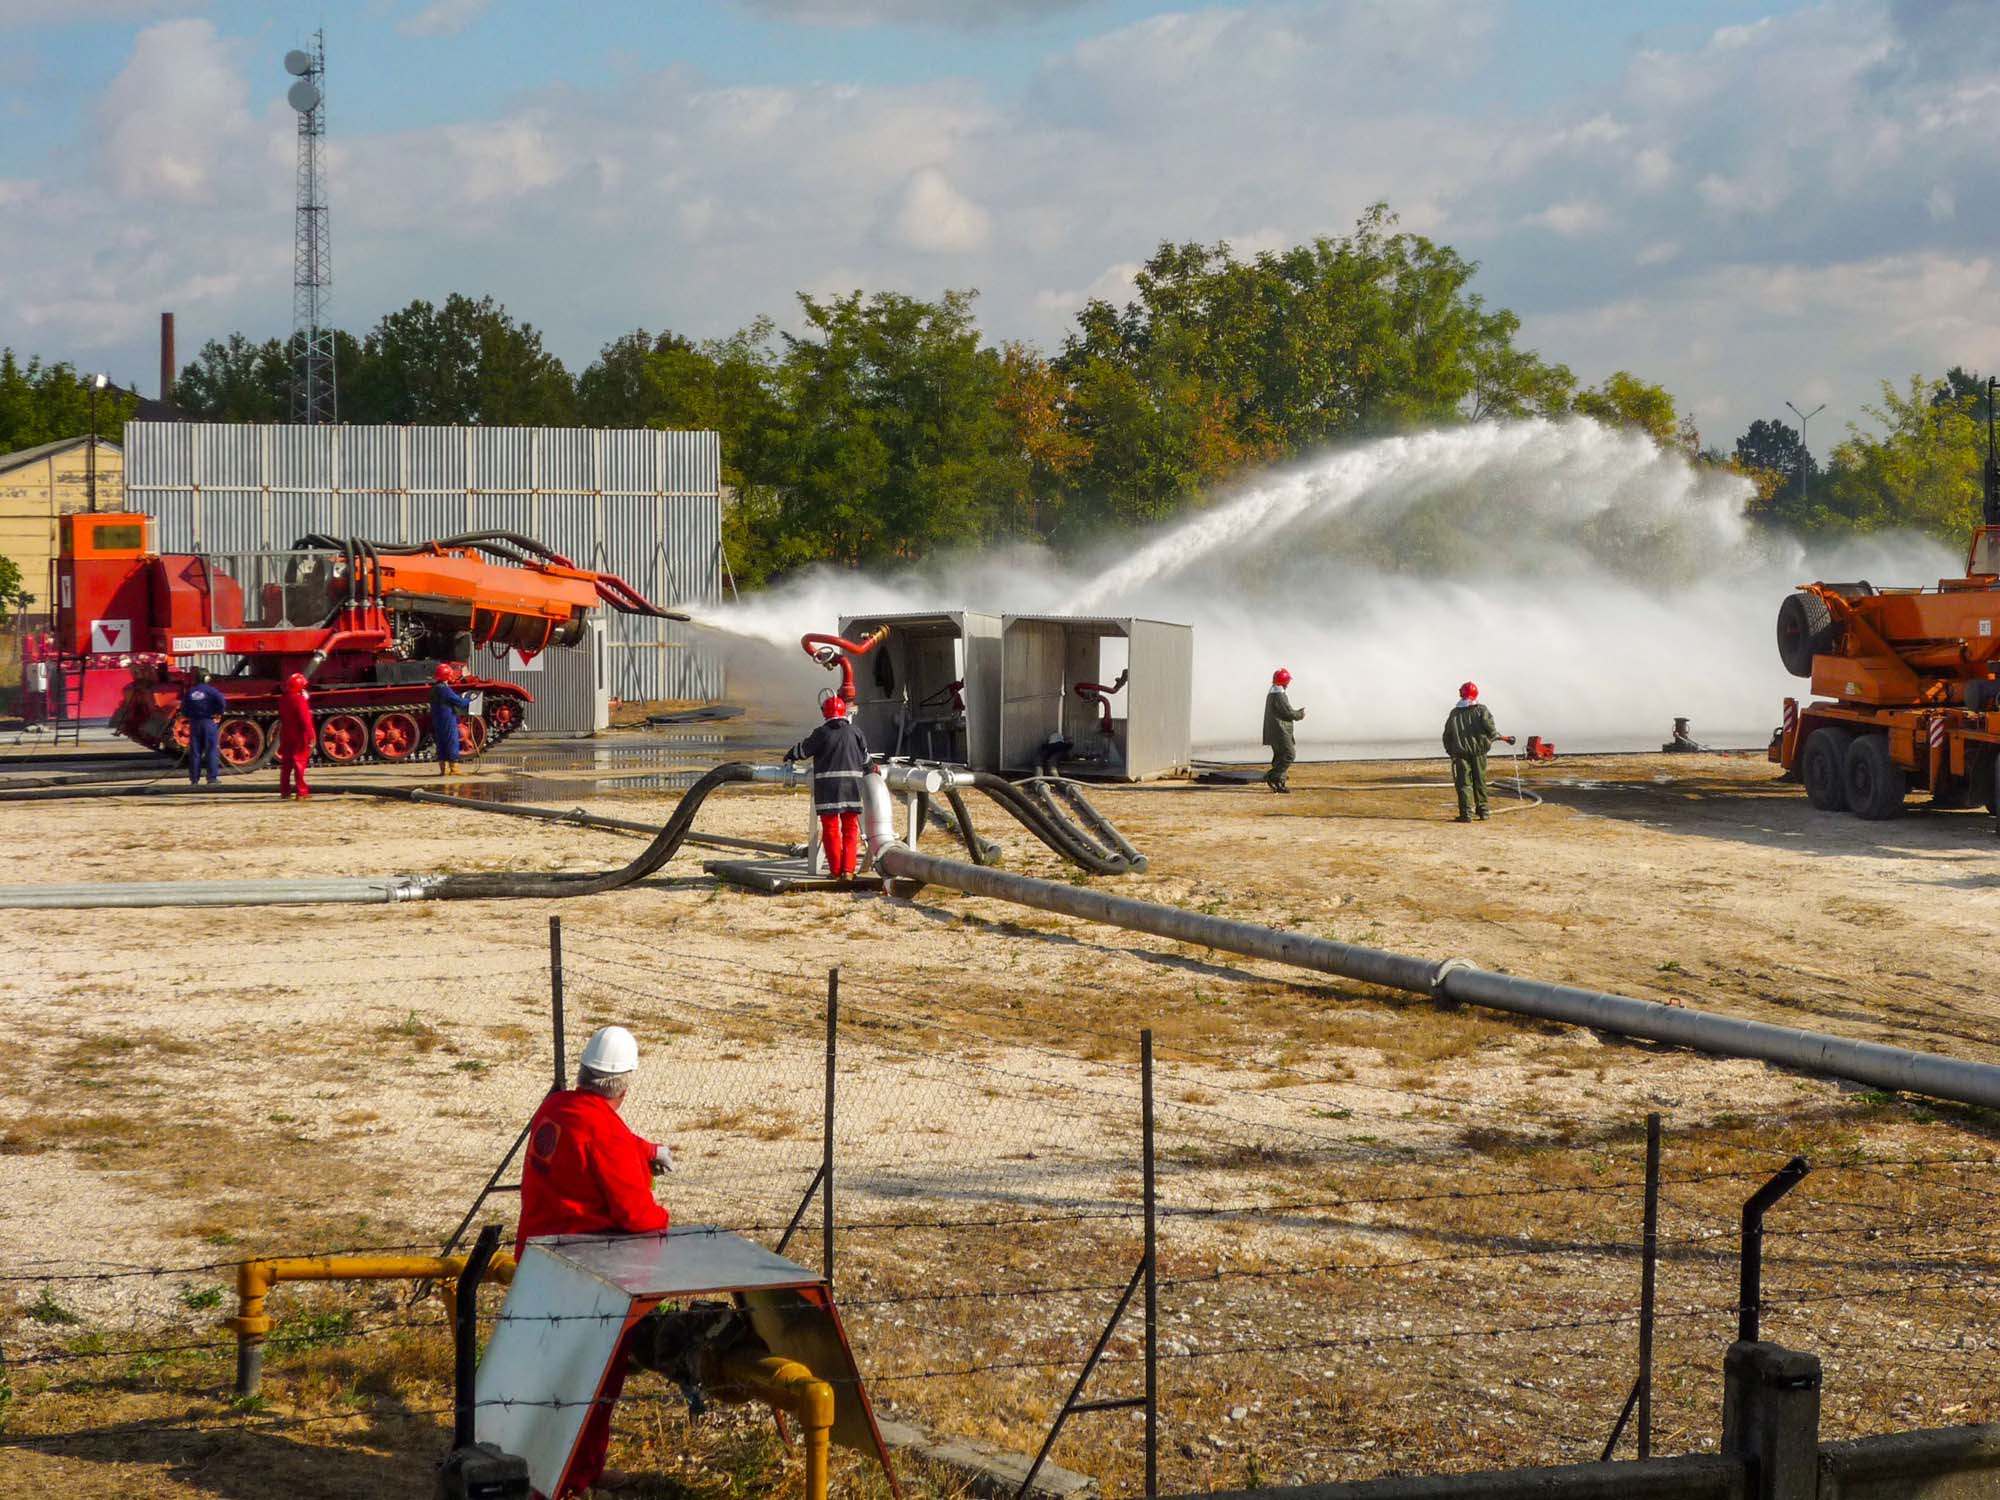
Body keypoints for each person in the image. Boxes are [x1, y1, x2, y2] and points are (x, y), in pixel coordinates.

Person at [516, 1025, 673, 1496]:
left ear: (584, 1074)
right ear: (624, 1086)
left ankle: (539, 1465)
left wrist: (646, 1151)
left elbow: (604, 1136)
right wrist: (665, 1216)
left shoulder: (555, 1107)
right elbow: (638, 1216)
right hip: (590, 1280)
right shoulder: (604, 1133)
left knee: (542, 1376)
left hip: (539, 1267)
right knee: (594, 1382)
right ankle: (575, 1477)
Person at [784, 695, 871, 878]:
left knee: (831, 829)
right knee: (850, 828)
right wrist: (873, 769)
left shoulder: (821, 733)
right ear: (843, 712)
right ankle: (848, 870)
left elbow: (802, 750)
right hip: (852, 787)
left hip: (828, 788)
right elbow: (866, 759)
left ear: (825, 713)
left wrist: (789, 755)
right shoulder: (855, 731)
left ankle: (835, 871)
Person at [1443, 681, 1514, 822]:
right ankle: (1483, 812)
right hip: (1479, 753)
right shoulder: (1482, 710)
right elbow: (1492, 731)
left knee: (1464, 784)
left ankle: (1466, 814)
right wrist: (1496, 739)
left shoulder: (1454, 713)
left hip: (1460, 755)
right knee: (1480, 781)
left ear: (1461, 693)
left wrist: (1451, 752)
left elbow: (1447, 735)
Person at [179, 668, 227, 787]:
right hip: (208, 723)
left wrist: (190, 715)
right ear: (207, 678)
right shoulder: (211, 691)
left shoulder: (190, 692)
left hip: (195, 724)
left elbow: (183, 709)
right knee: (211, 750)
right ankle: (212, 778)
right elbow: (222, 701)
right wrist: (218, 712)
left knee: (195, 752)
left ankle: (194, 780)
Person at [1262, 668, 1305, 793]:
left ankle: (1279, 783)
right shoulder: (1278, 695)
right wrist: (1300, 714)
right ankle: (1272, 776)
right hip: (1280, 732)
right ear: (1285, 681)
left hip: (1275, 731)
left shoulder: (1274, 693)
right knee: (1289, 755)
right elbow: (1288, 712)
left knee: (1280, 757)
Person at [429, 663, 472, 777]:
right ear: (447, 676)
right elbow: (460, 702)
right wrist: (469, 698)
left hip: (437, 719)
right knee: (452, 741)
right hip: (447, 718)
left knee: (441, 743)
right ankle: (454, 769)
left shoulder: (434, 689)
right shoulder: (445, 689)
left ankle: (444, 770)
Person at [276, 672, 314, 801]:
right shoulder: (299, 700)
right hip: (299, 734)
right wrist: (311, 736)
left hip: (286, 733)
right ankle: (301, 792)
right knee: (299, 762)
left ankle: (285, 791)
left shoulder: (282, 699)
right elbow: (305, 720)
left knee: (286, 764)